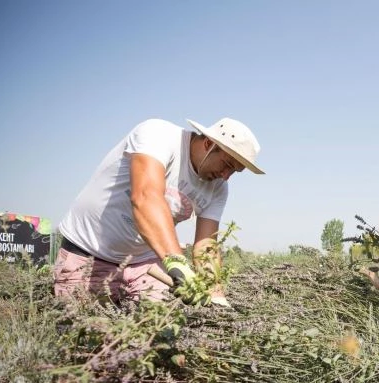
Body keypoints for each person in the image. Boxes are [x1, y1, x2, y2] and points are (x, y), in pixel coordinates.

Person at [54, 117, 264, 306]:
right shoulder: (159, 135)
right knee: (91, 341)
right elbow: (145, 197)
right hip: (89, 254)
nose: (226, 176)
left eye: (234, 171)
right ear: (209, 144)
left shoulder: (218, 188)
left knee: (159, 335)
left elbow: (206, 244)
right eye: (226, 164)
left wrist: (215, 291)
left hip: (145, 264)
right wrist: (177, 262)